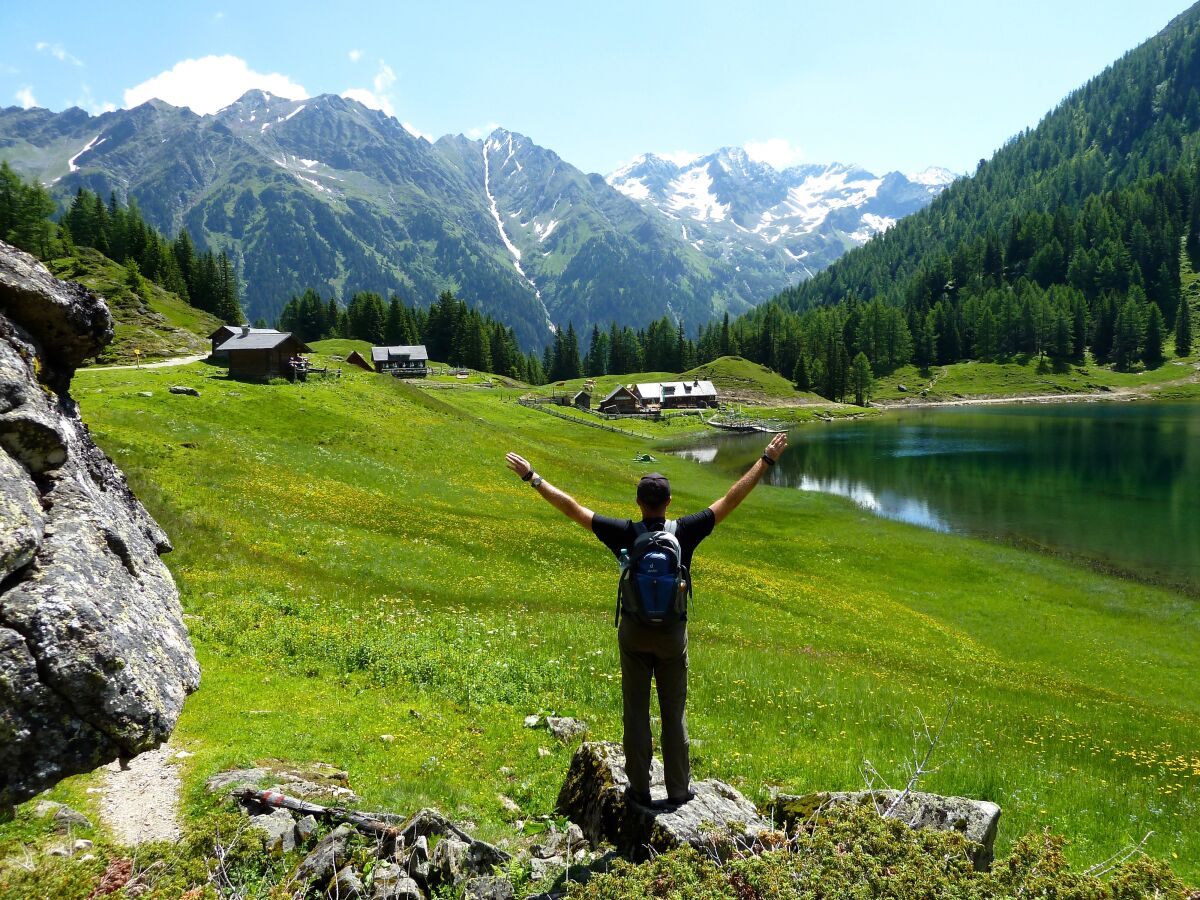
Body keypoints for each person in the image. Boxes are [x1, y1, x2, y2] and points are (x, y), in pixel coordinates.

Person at [504, 431, 787, 806]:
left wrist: (532, 477)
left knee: (635, 712)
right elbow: (730, 499)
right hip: (671, 636)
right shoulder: (684, 531)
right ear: (669, 502)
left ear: (638, 502)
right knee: (674, 713)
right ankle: (679, 791)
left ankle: (639, 789)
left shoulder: (624, 533)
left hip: (634, 633)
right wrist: (765, 460)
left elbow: (573, 508)